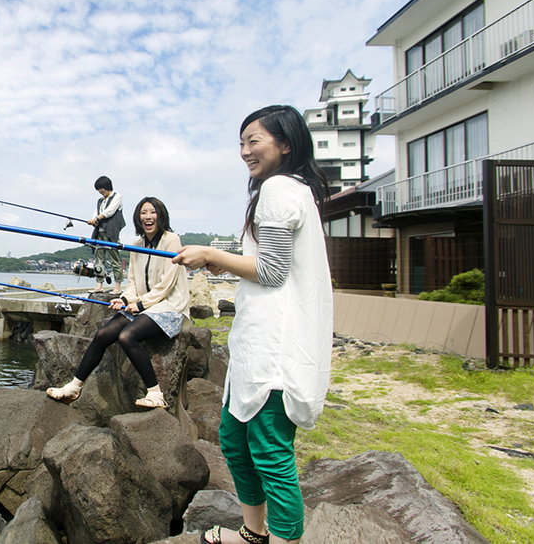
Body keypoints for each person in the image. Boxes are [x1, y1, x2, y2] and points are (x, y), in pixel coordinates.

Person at [173, 105, 332, 544]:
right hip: (257, 340)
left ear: (285, 144)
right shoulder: (283, 189)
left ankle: (282, 538)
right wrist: (224, 264)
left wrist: (210, 255)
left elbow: (273, 270)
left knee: (268, 449)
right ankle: (253, 532)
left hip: (276, 346)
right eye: (241, 143)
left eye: (254, 141)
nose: (245, 151)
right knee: (234, 438)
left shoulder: (280, 188)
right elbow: (266, 265)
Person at [48, 197, 191, 408]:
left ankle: (155, 393)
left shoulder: (171, 240)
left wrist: (141, 305)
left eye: (153, 212)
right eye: (143, 213)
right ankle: (75, 387)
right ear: (137, 218)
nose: (148, 217)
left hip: (168, 306)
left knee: (126, 336)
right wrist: (124, 299)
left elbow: (167, 284)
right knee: (103, 334)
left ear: (161, 216)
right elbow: (133, 282)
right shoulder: (137, 245)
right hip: (146, 305)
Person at [88, 175, 125, 294]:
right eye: (98, 189)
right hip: (99, 232)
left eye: (101, 188)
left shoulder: (117, 196)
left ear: (107, 186)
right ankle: (99, 285)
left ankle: (117, 287)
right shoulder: (100, 201)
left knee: (114, 260)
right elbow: (96, 213)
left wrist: (97, 218)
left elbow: (110, 211)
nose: (100, 191)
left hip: (111, 233)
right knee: (99, 259)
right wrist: (93, 220)